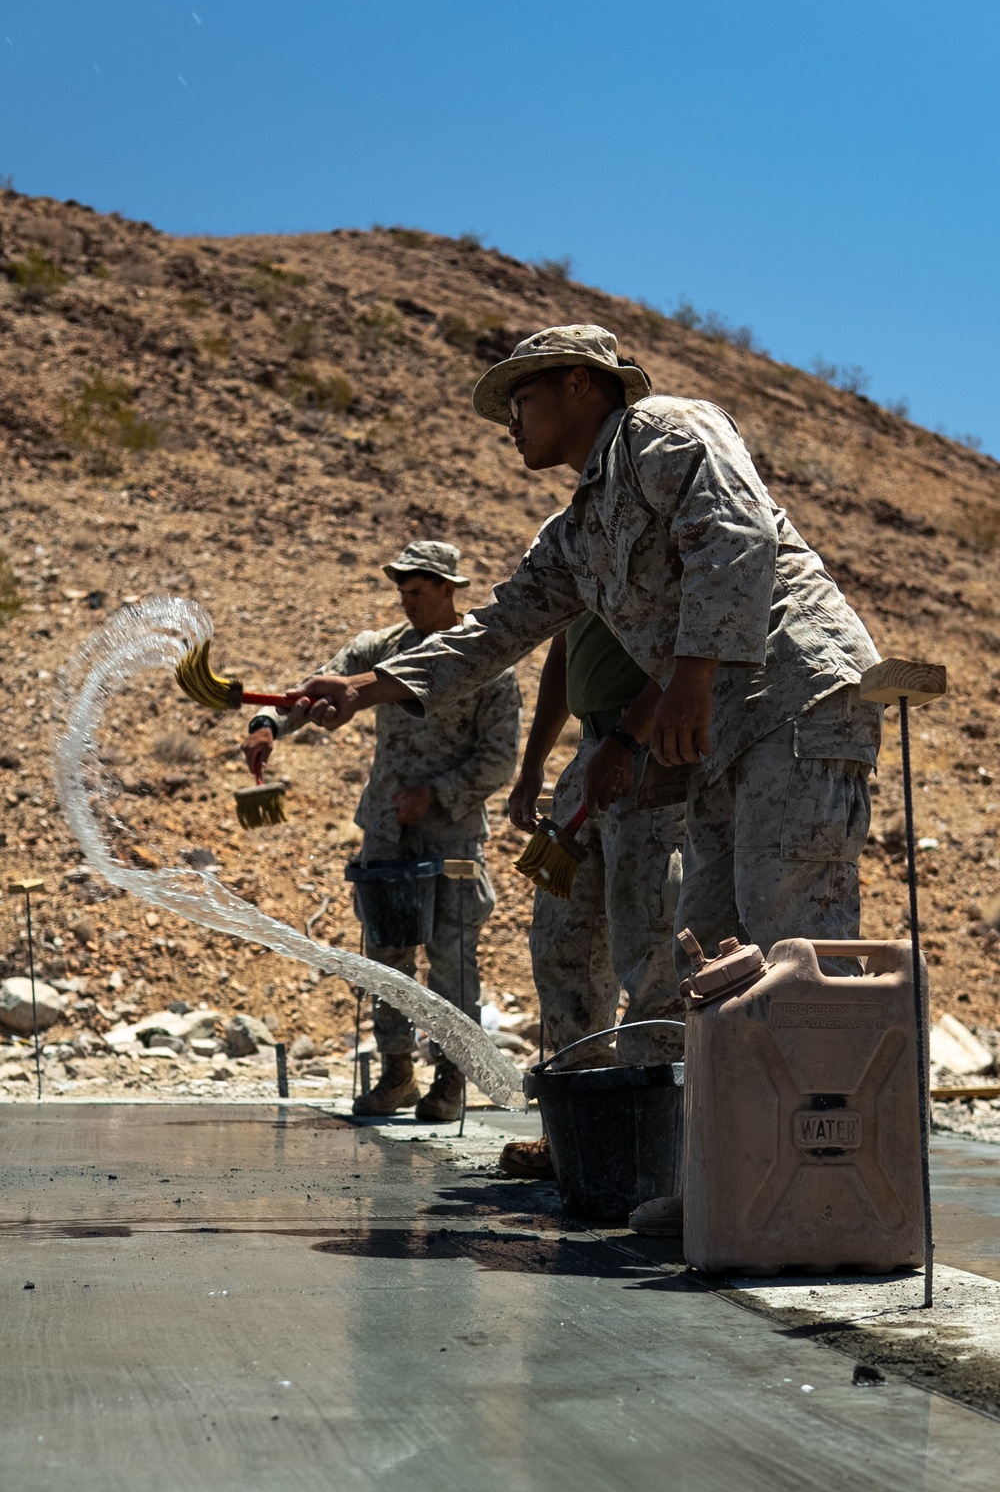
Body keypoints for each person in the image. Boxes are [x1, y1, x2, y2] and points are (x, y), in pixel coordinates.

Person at [284, 323, 882, 999]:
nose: (511, 421)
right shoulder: (576, 533)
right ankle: (747, 1106)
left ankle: (839, 1103)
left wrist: (691, 673)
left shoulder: (665, 429)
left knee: (793, 945)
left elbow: (735, 535)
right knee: (715, 963)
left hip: (794, 702)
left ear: (579, 382)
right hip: (720, 737)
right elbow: (495, 630)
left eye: (522, 399)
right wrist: (363, 688)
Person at [243, 540, 520, 1122]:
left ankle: (451, 1079)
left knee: (451, 958)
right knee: (388, 954)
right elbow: (318, 688)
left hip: (452, 837)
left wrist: (436, 795)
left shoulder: (484, 660)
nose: (408, 601)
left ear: (449, 588)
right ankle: (397, 1073)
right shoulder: (381, 651)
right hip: (388, 834)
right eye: (402, 592)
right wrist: (269, 723)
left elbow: (498, 758)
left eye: (419, 591)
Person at [501, 614, 686, 1178]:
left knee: (652, 952)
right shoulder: (580, 550)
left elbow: (686, 652)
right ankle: (577, 1129)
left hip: (653, 756)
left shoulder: (654, 538)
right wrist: (535, 763)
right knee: (563, 950)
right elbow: (563, 653)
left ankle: (651, 1142)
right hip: (591, 752)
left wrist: (629, 741)